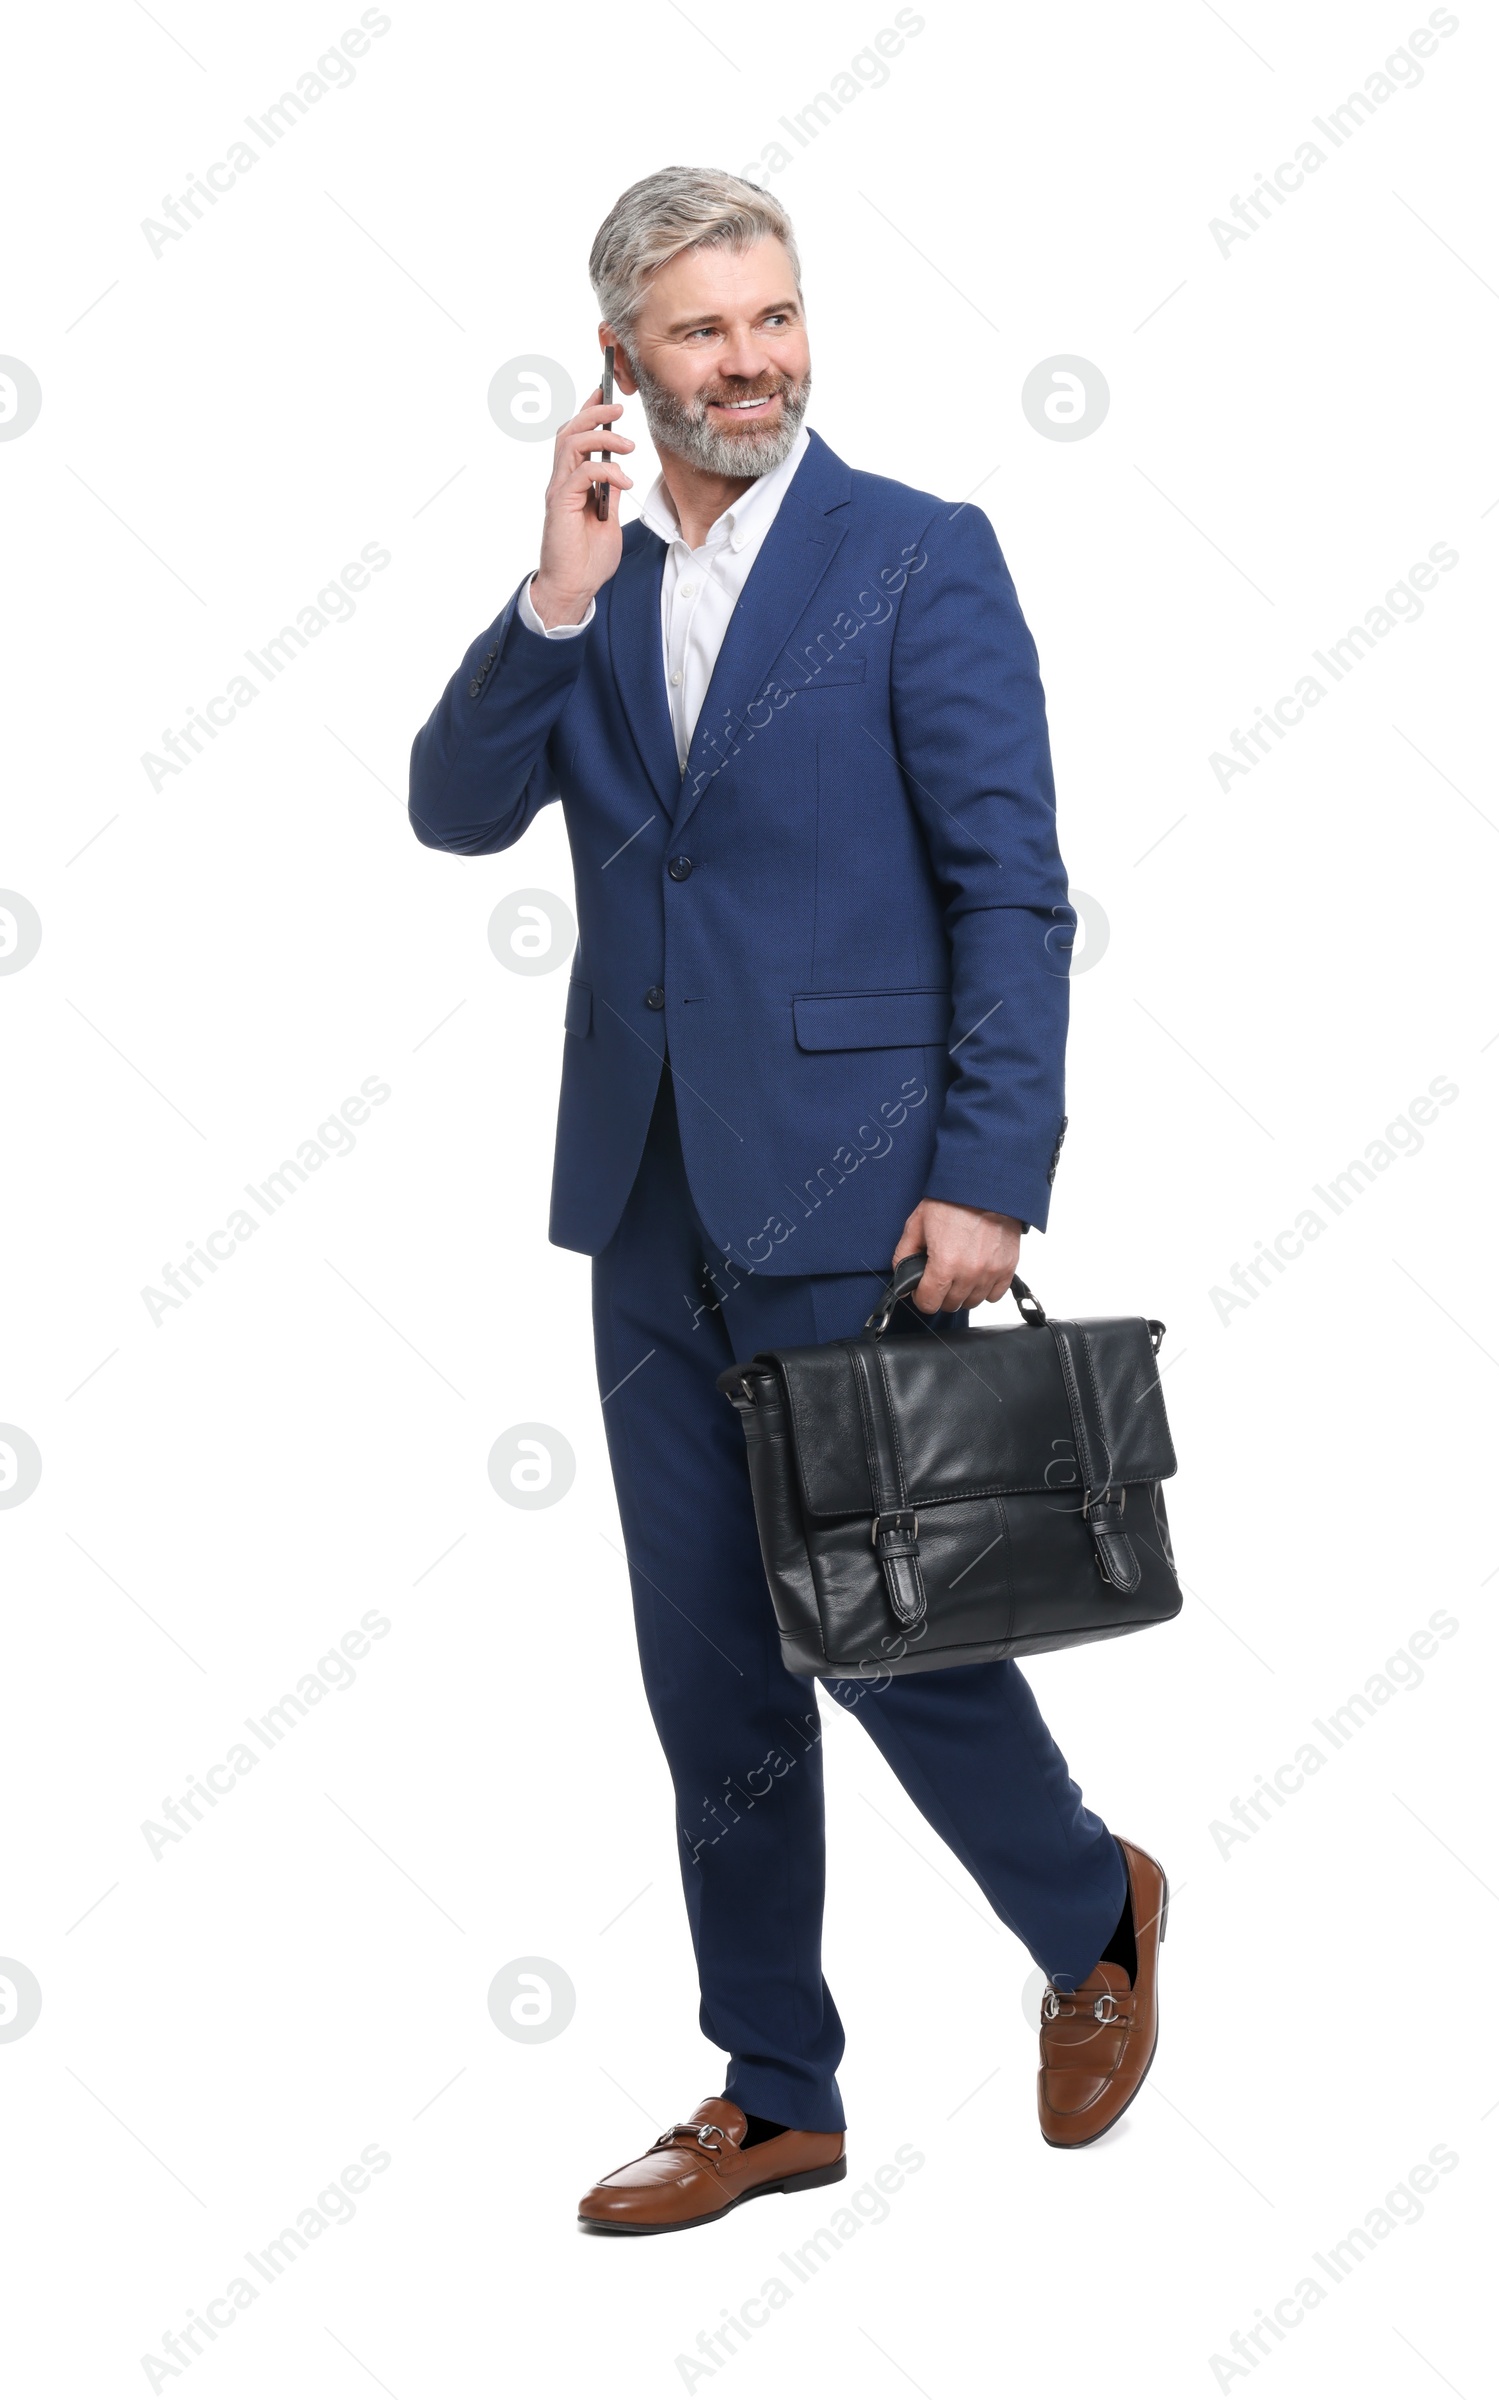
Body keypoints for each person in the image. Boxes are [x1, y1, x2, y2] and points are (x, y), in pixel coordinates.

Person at [408, 165, 1166, 2234]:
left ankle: (1091, 1912)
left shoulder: (916, 559)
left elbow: (1004, 888)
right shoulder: (590, 581)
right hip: (643, 1196)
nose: (748, 361)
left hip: (861, 1188)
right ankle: (775, 2089)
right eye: (700, 333)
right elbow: (450, 811)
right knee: (707, 1664)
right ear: (620, 362)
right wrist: (549, 597)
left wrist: (990, 1173)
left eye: (772, 318)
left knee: (890, 1629)